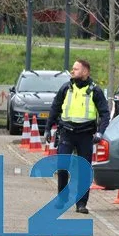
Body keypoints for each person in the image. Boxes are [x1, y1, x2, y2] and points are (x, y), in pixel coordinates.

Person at [44, 59, 110, 214]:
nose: (72, 71)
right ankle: (62, 198)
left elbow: (105, 114)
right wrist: (48, 128)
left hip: (86, 135)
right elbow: (55, 108)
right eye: (73, 69)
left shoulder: (95, 91)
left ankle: (81, 203)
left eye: (76, 69)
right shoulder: (66, 88)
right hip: (66, 132)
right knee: (62, 167)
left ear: (85, 72)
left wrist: (100, 132)